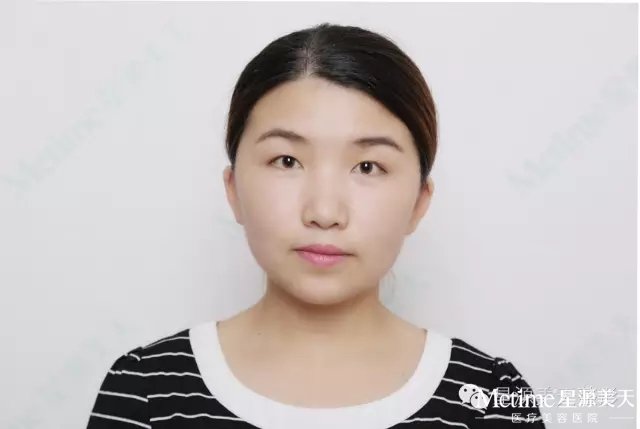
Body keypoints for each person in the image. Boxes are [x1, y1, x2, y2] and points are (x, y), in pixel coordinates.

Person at [86, 22, 546, 429]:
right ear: (233, 188)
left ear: (418, 203)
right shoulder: (145, 391)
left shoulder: (491, 398)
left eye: (368, 167)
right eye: (287, 160)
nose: (324, 212)